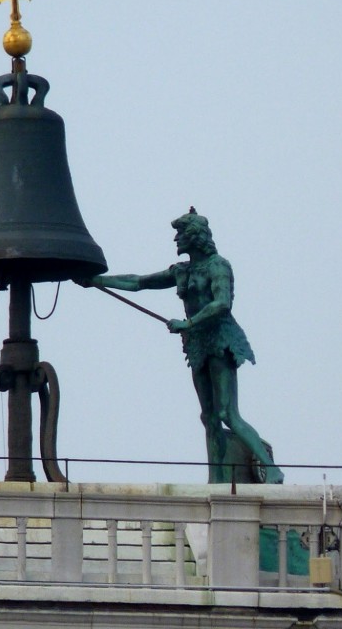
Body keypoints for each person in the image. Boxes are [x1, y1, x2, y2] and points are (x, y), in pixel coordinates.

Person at [82, 207, 283, 483]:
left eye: (180, 234)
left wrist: (188, 323)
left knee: (227, 413)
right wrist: (97, 281)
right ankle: (218, 480)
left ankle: (271, 468)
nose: (176, 240)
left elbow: (223, 303)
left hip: (220, 339)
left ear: (194, 237)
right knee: (209, 416)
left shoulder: (218, 266)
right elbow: (139, 282)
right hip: (198, 344)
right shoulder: (182, 271)